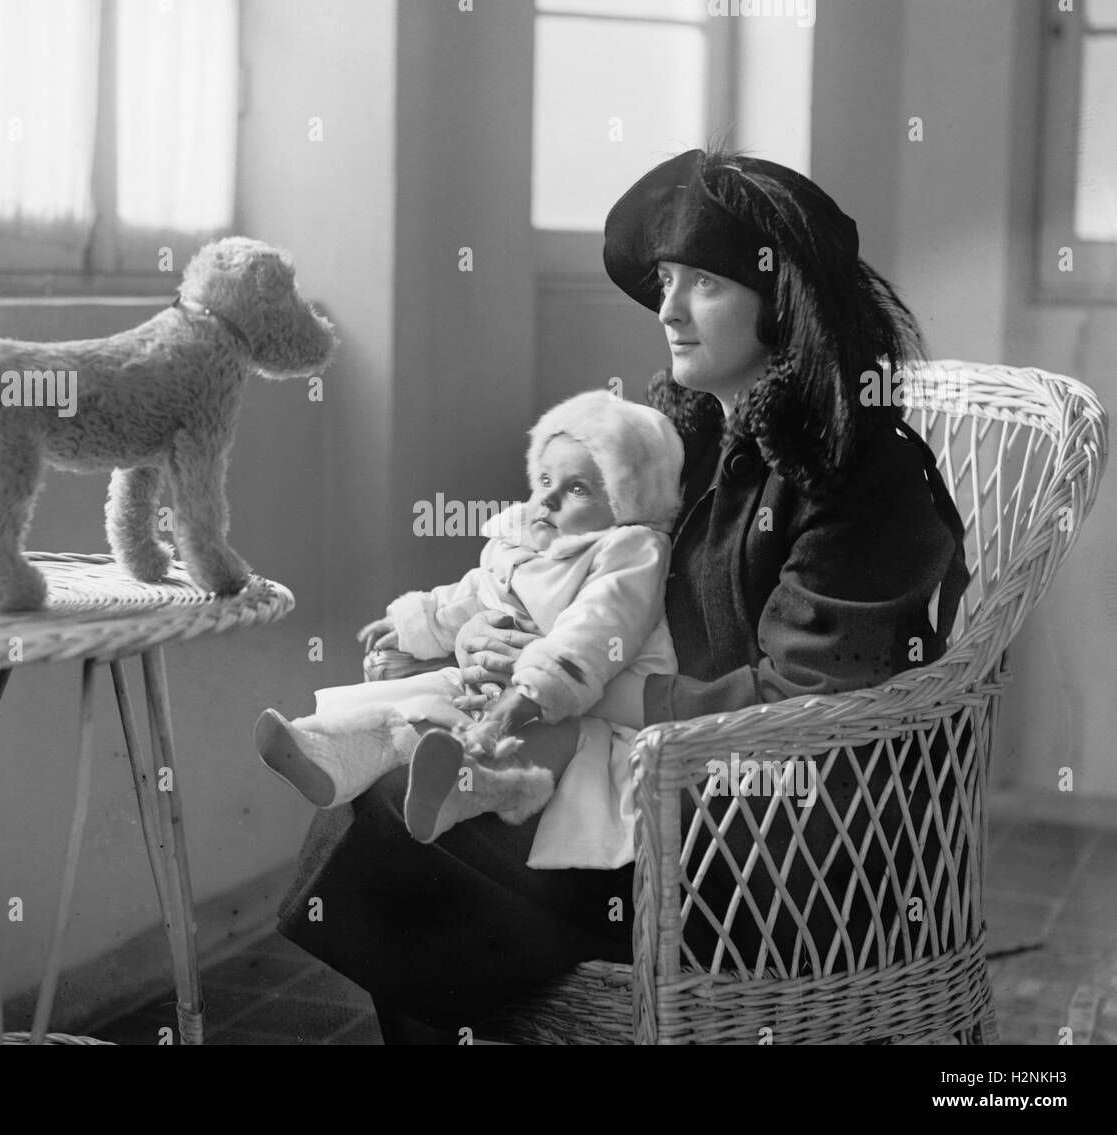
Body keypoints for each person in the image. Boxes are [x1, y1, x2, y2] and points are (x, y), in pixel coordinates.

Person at [275, 147, 970, 1044]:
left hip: (777, 845)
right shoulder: (688, 446)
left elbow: (812, 707)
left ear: (787, 302)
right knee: (389, 807)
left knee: (401, 843)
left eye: (706, 285)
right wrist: (504, 629)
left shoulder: (866, 476)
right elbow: (586, 578)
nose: (670, 309)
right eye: (668, 280)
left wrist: (570, 682)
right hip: (633, 780)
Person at [255, 389, 683, 863]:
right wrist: (418, 626)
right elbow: (476, 591)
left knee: (553, 736)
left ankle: (486, 786)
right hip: (498, 685)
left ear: (628, 502)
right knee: (429, 703)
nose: (549, 498)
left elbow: (597, 627)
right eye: (544, 479)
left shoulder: (629, 551)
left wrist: (534, 691)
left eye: (577, 488)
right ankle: (339, 753)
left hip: (591, 705)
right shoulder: (524, 539)